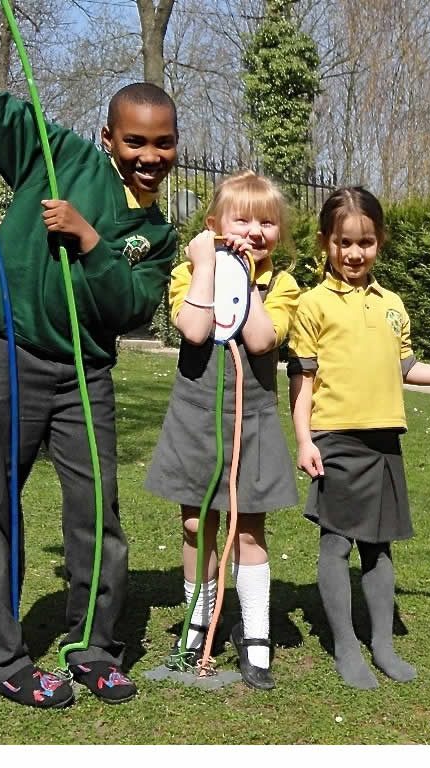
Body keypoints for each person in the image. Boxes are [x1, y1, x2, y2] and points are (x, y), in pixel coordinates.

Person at [0, 1, 179, 708]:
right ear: (108, 137)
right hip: (4, 354)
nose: (149, 157)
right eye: (135, 142)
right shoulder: (57, 155)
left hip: (84, 373)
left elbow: (129, 307)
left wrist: (89, 240)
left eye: (163, 144)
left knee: (97, 512)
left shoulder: (156, 235)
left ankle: (92, 647)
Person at [287, 186, 430, 689]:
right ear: (324, 242)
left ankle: (382, 643)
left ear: (380, 242)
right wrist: (304, 439)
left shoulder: (394, 304)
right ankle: (345, 645)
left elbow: (407, 367)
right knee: (335, 545)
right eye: (344, 242)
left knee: (379, 549)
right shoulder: (312, 305)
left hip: (384, 444)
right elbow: (301, 381)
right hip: (334, 438)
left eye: (366, 242)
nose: (354, 253)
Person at [145, 171, 300, 691]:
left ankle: (255, 635)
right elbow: (192, 330)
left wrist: (249, 276)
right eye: (242, 219)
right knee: (195, 525)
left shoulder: (281, 284)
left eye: (267, 222)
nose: (255, 230)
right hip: (195, 412)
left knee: (249, 527)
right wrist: (210, 264)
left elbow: (259, 340)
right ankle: (198, 621)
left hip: (249, 417)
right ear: (214, 224)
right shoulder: (191, 271)